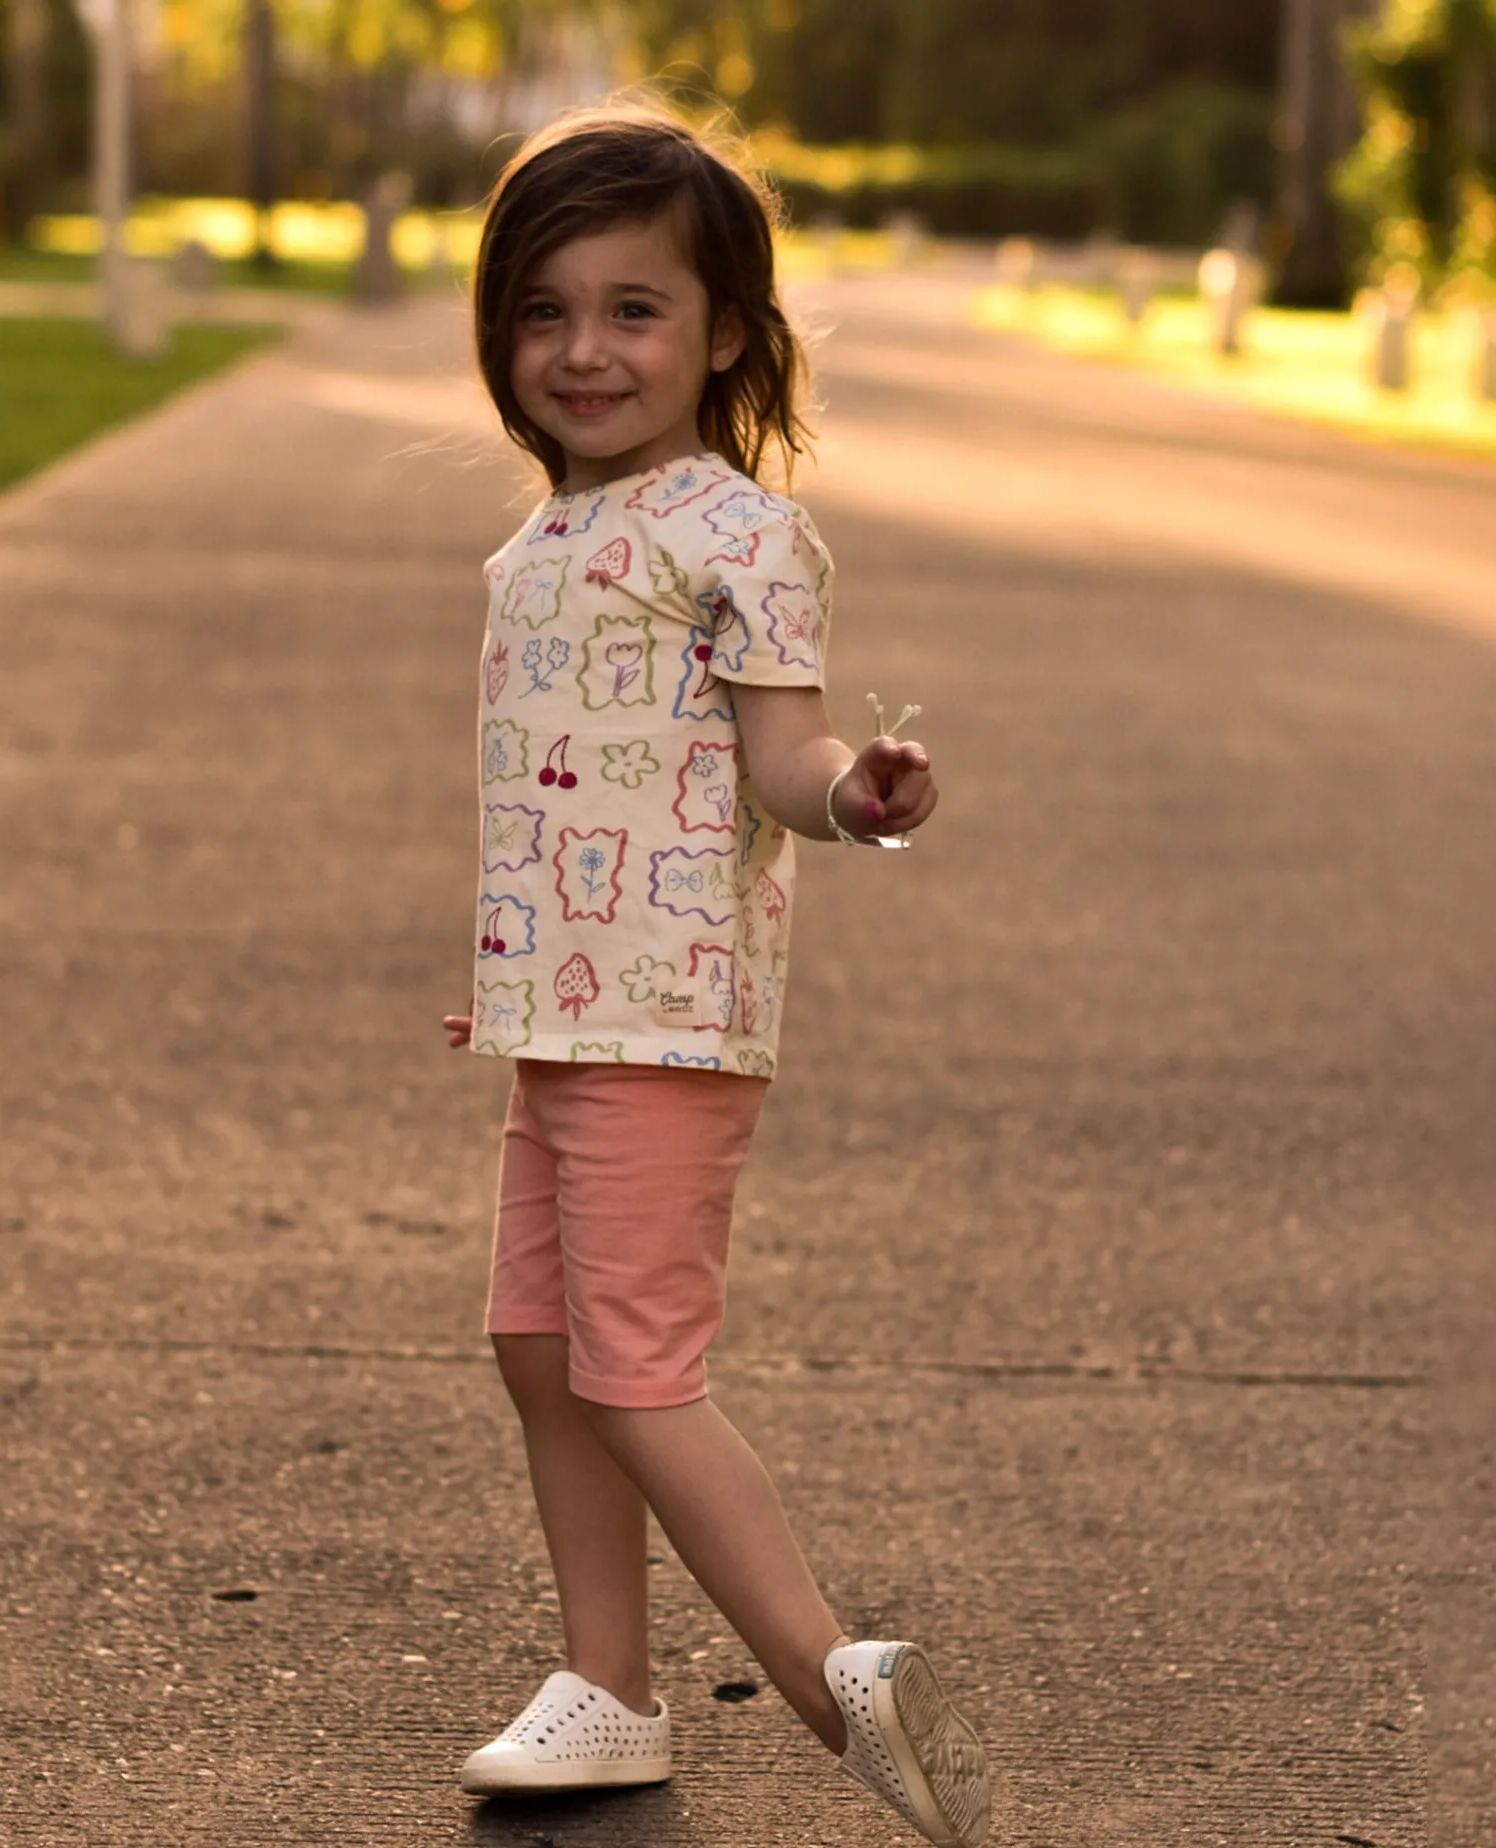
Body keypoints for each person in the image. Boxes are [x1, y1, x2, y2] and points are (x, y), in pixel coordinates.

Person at [438, 101, 991, 1848]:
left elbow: (783, 754)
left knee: (632, 1369)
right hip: (567, 1017)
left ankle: (836, 1683)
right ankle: (608, 1689)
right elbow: (567, 797)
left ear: (728, 333)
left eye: (634, 309)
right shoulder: (545, 539)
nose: (583, 350)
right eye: (542, 311)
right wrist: (517, 978)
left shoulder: (733, 531)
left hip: (666, 1026)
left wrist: (855, 796)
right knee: (538, 1343)